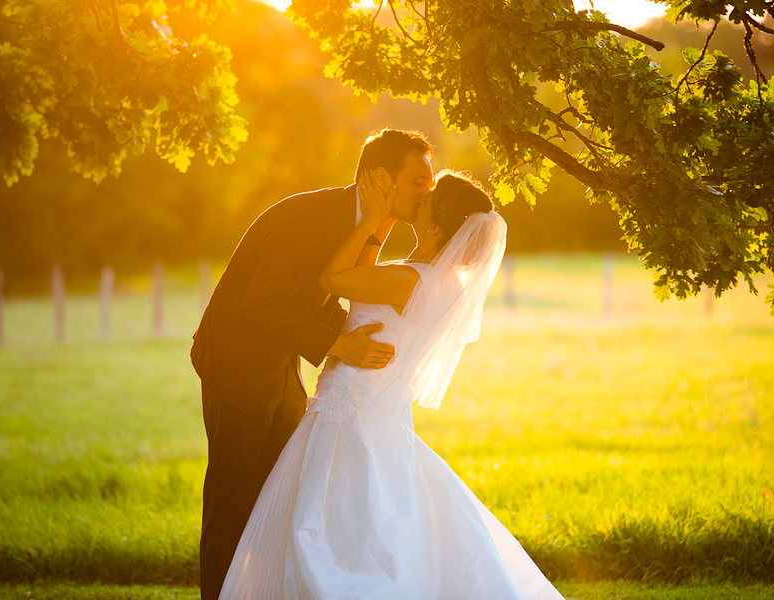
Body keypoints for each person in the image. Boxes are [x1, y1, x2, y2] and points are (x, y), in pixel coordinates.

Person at [218, 170, 566, 599]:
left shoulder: (409, 280)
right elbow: (364, 282)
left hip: (351, 405)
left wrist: (372, 220)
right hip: (368, 401)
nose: (417, 201)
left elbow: (334, 281)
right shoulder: (430, 278)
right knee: (367, 505)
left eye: (426, 201)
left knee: (332, 513)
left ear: (436, 226)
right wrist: (378, 232)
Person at [190, 129, 436, 600]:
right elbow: (262, 302)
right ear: (382, 178)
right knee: (234, 501)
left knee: (276, 501)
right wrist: (339, 346)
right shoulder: (309, 217)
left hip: (281, 369)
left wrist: (351, 335)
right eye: (419, 182)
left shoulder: (360, 223)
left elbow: (312, 296)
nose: (427, 193)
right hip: (235, 364)